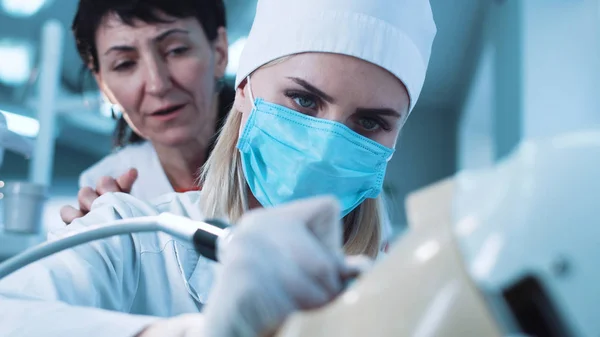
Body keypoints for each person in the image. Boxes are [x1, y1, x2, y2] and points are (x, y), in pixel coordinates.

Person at [0, 0, 436, 335]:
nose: (324, 147)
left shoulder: (406, 287)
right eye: (303, 100)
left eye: (370, 122)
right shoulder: (131, 233)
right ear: (245, 90)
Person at [60, 0, 234, 223]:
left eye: (176, 50)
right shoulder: (102, 191)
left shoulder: (280, 164)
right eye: (124, 64)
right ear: (103, 85)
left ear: (219, 52)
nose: (157, 84)